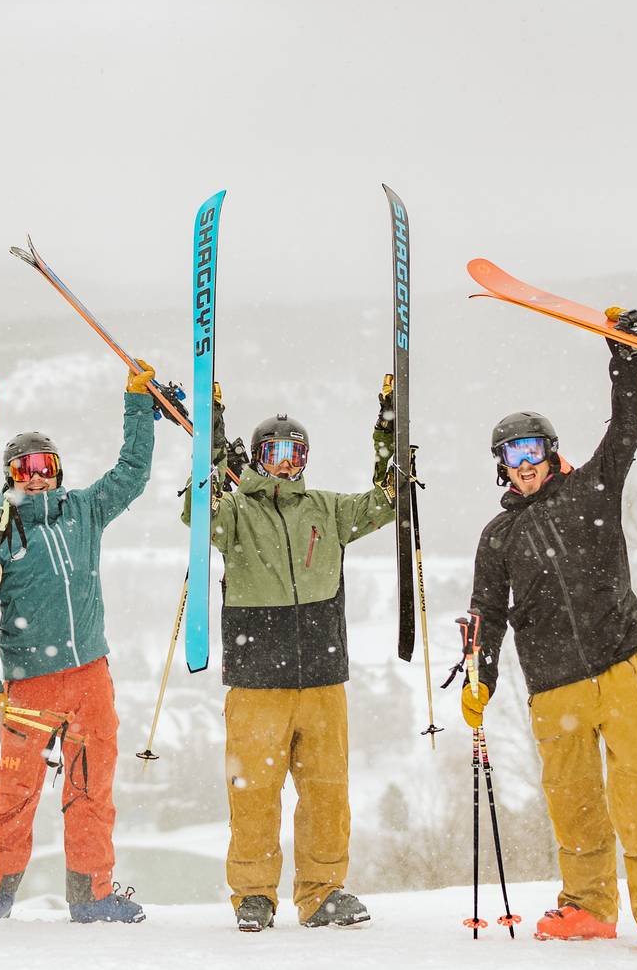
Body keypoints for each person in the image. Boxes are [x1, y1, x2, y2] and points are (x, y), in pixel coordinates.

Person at [463, 332, 637, 953]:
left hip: (618, 668)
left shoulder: (594, 487)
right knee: (575, 802)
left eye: (531, 447)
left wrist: (626, 352)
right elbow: (487, 612)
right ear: (501, 464)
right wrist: (480, 675)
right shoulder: (498, 536)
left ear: (550, 450)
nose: (524, 462)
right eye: (511, 453)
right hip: (552, 686)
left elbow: (630, 423)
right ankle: (587, 906)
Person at [182, 388, 395, 933]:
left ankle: (322, 892)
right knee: (254, 793)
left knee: (327, 791)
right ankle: (254, 894)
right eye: (273, 453)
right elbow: (194, 511)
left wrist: (389, 432)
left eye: (293, 454)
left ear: (305, 459)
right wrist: (209, 439)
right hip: (257, 683)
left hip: (323, 678)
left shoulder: (327, 509)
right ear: (255, 458)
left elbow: (388, 500)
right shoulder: (234, 513)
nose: (284, 463)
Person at [0, 363, 157, 927]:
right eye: (24, 468)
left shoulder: (84, 511)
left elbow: (133, 472)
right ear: (8, 476)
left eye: (44, 466)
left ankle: (90, 894)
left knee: (92, 787)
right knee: (17, 789)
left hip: (91, 674)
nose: (37, 476)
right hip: (29, 681)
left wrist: (138, 403)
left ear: (58, 470)